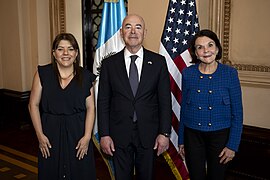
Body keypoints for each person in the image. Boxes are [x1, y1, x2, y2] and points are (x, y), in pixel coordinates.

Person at [97, 14, 172, 180]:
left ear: (144, 32)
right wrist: (104, 134)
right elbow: (103, 102)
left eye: (138, 27)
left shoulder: (158, 62)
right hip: (118, 134)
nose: (133, 31)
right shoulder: (109, 64)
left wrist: (164, 133)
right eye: (128, 27)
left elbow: (165, 101)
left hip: (149, 134)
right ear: (121, 33)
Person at [28, 33, 96, 180]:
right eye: (60, 49)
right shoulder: (42, 74)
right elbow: (33, 105)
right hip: (49, 134)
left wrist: (87, 136)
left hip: (78, 134)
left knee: (81, 172)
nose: (66, 53)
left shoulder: (86, 76)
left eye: (70, 49)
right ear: (54, 53)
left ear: (76, 53)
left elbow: (91, 108)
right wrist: (40, 135)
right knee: (51, 172)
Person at [178, 29, 243, 180]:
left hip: (220, 136)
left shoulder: (230, 73)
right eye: (199, 47)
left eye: (210, 45)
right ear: (195, 52)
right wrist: (181, 140)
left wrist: (232, 145)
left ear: (217, 48)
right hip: (193, 135)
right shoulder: (188, 73)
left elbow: (237, 113)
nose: (205, 50)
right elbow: (183, 110)